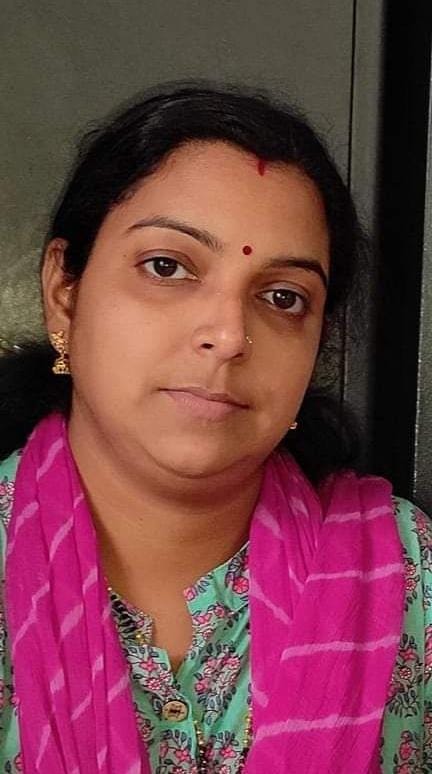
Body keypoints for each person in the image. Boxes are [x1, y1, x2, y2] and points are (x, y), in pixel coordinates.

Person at [0, 84, 430, 774]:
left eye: (283, 297)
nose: (229, 335)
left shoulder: (410, 577)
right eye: (167, 267)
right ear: (64, 294)